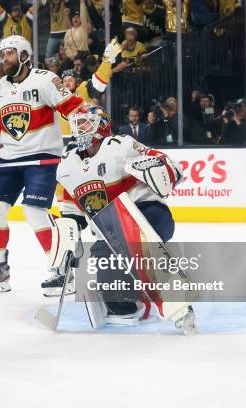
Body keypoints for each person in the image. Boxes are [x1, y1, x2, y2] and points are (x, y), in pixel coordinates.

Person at [56, 104, 193, 330]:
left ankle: (169, 296)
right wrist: (68, 242)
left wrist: (160, 170)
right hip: (111, 230)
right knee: (118, 303)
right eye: (76, 124)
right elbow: (72, 210)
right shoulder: (67, 164)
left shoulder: (120, 145)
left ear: (102, 125)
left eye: (85, 122)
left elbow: (168, 164)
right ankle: (132, 303)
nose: (80, 128)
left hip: (149, 213)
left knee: (132, 243)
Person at [0, 35, 83, 295]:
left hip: (42, 158)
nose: (3, 59)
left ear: (24, 55)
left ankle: (60, 269)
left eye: (9, 53)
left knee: (34, 211)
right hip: (9, 158)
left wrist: (86, 134)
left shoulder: (45, 79)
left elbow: (72, 107)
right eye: (2, 54)